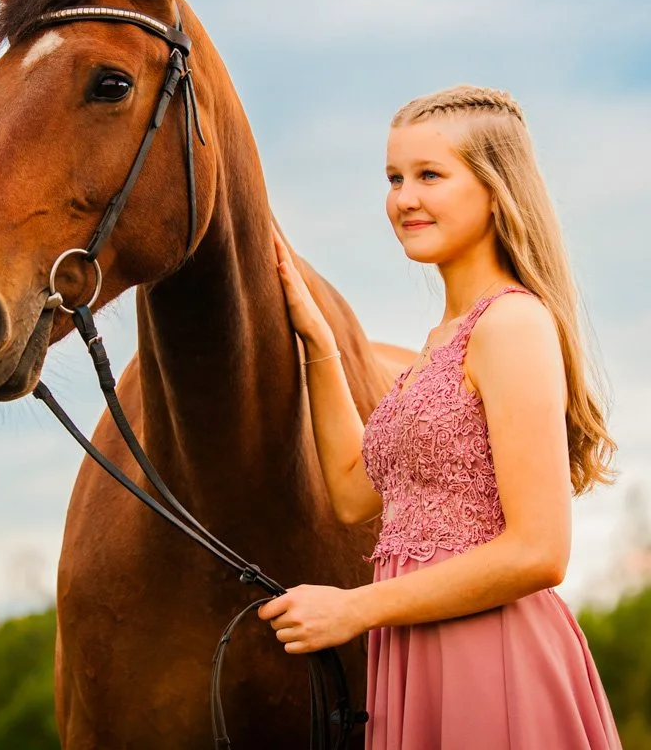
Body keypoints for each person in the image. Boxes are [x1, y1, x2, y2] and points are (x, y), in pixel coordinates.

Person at [262, 84, 623, 748]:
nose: (404, 198)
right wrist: (318, 343)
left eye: (430, 175)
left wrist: (352, 608)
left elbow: (540, 552)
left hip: (494, 658)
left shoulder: (511, 324)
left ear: (495, 188)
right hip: (414, 656)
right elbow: (348, 492)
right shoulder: (437, 344)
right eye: (395, 178)